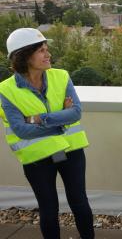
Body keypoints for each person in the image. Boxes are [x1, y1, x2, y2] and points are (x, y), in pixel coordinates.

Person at [0, 28, 94, 239]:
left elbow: (76, 112)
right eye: (42, 50)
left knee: (79, 202)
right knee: (48, 208)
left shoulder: (61, 76)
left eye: (46, 49)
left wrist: (39, 118)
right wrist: (60, 118)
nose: (48, 54)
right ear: (24, 56)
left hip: (71, 151)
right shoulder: (6, 90)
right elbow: (21, 130)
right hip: (37, 158)